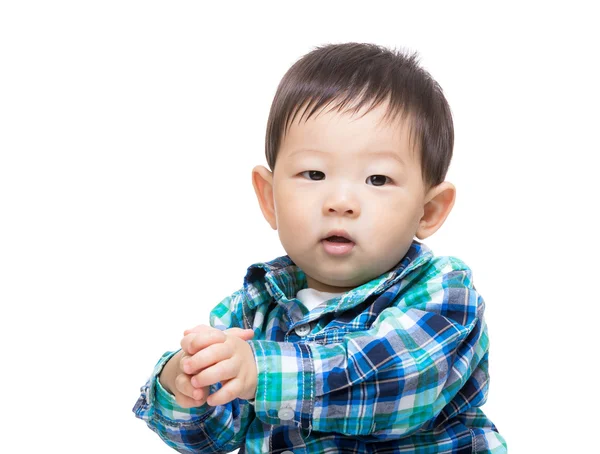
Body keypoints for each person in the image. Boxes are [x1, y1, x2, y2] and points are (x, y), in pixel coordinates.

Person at [133, 42, 507, 453]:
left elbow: (401, 382)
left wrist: (261, 370)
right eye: (314, 173)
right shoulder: (250, 312)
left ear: (429, 210)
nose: (340, 202)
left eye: (377, 180)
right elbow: (209, 439)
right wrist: (184, 384)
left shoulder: (443, 292)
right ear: (270, 198)